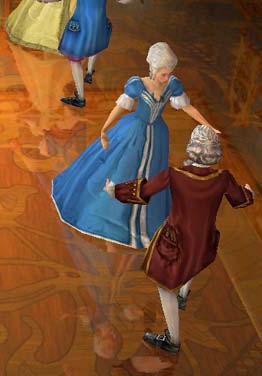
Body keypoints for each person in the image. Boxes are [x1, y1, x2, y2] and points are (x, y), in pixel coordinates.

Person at [51, 42, 219, 249]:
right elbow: (120, 108)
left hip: (157, 134)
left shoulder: (172, 85)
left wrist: (208, 124)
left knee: (152, 172)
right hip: (133, 132)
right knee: (124, 168)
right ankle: (114, 213)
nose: (166, 78)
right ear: (153, 69)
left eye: (169, 73)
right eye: (163, 74)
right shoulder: (137, 85)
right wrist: (104, 129)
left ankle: (142, 216)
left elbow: (187, 107)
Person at [104, 125, 254, 354]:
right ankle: (183, 296)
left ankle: (172, 340)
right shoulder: (223, 178)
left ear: (192, 147)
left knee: (164, 287)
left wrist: (115, 190)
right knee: (194, 262)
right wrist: (249, 192)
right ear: (214, 151)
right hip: (204, 240)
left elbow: (144, 191)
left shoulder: (174, 175)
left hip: (175, 242)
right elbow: (241, 199)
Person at [35, 0, 133, 107]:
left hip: (80, 23)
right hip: (100, 21)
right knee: (95, 42)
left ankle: (80, 97)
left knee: (75, 59)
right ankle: (89, 73)